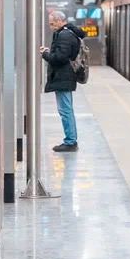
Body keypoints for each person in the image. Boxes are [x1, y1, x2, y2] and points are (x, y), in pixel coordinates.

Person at [40, 10, 84, 152]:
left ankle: (70, 141)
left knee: (65, 110)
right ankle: (71, 140)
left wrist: (45, 54)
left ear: (60, 21)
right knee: (66, 109)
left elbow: (60, 58)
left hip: (63, 77)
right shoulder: (68, 33)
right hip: (64, 76)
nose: (51, 26)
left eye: (52, 23)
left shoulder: (64, 35)